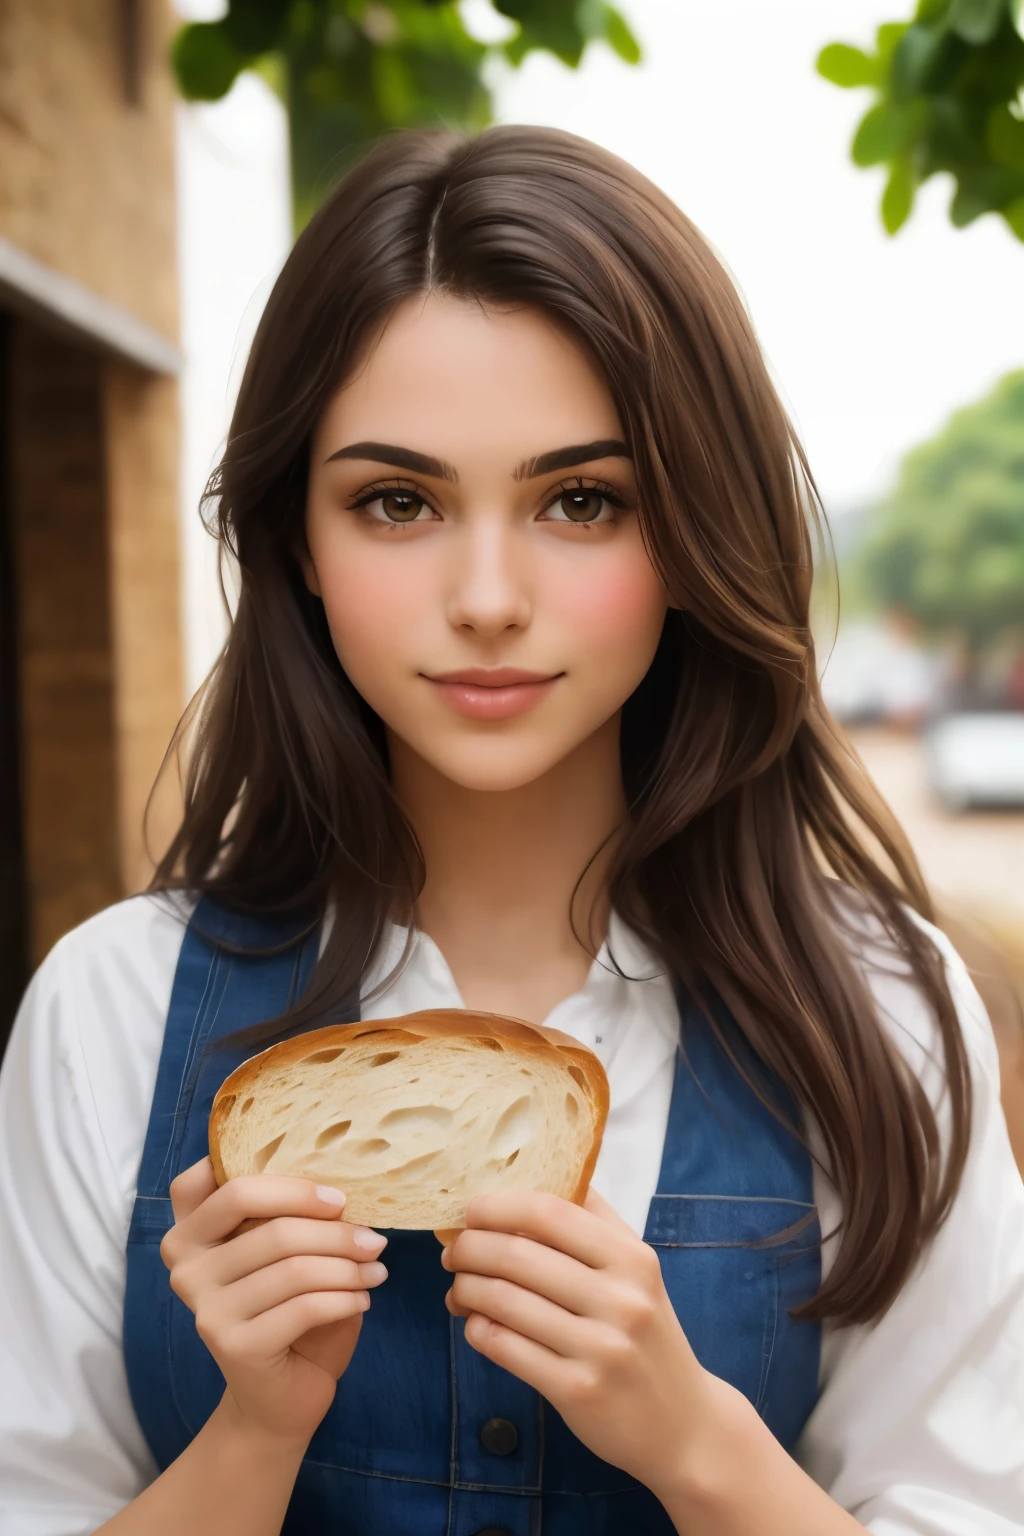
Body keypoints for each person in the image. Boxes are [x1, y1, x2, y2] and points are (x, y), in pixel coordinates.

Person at [0, 125, 1021, 1536]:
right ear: (299, 539)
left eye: (581, 500)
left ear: (692, 535)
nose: (488, 594)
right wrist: (253, 1435)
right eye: (398, 501)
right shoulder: (108, 1010)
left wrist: (694, 1445)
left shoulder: (883, 1010)